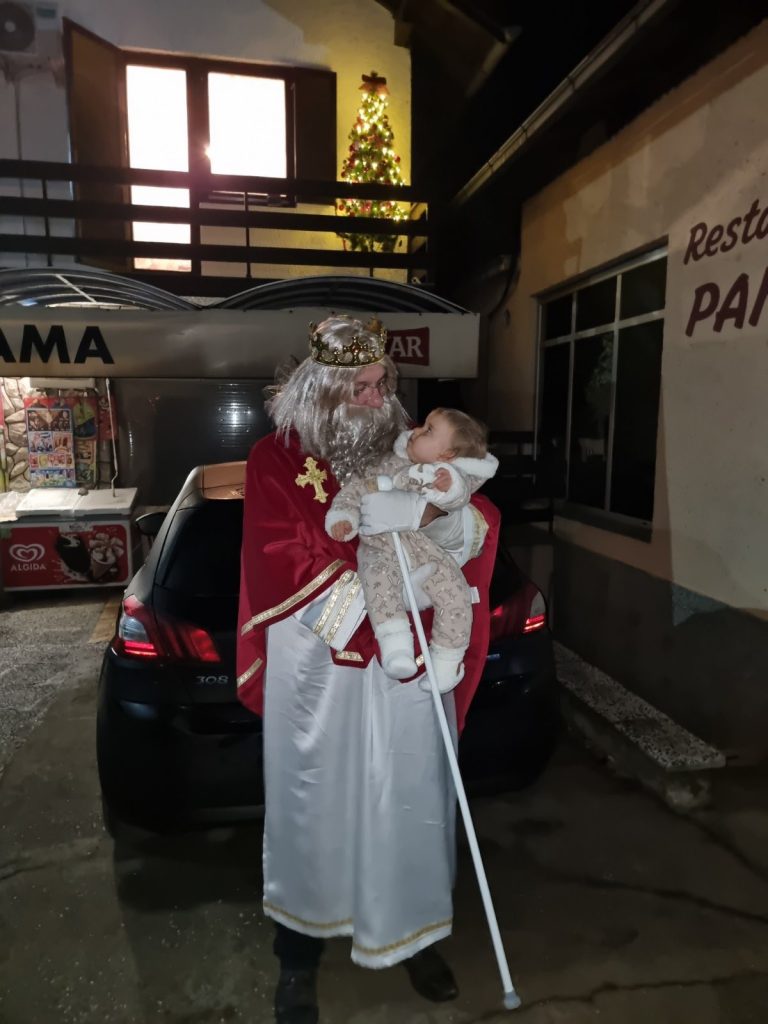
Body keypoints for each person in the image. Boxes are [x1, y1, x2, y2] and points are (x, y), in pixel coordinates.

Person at [236, 314, 500, 1024]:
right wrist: (379, 607)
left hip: (403, 671)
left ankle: (412, 935)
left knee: (408, 798)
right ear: (322, 387)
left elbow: (473, 510)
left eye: (384, 383)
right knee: (312, 806)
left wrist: (444, 523)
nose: (379, 398)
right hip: (319, 670)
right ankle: (298, 954)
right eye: (362, 386)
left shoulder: (409, 443)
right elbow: (279, 557)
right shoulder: (274, 458)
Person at [325, 408, 498, 691]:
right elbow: (355, 490)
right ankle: (396, 649)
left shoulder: (445, 474)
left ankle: (447, 663)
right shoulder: (387, 464)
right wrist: (344, 516)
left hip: (425, 551)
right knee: (379, 585)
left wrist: (445, 486)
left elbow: (459, 495)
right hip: (381, 547)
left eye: (428, 430)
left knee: (454, 590)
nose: (416, 430)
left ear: (447, 455)